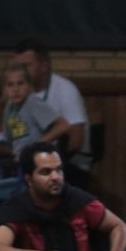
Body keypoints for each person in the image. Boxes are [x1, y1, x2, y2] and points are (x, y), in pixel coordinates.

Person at [0, 62, 70, 251]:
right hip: (13, 170)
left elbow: (63, 126)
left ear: (29, 86)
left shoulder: (33, 104)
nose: (15, 89)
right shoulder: (10, 110)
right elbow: (13, 146)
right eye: (10, 85)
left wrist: (36, 147)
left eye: (20, 84)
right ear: (4, 89)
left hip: (29, 177)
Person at [0, 142, 126, 251]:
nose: (55, 177)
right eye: (46, 172)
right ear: (29, 179)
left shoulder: (78, 201)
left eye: (59, 170)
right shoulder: (16, 208)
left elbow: (119, 226)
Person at [12, 38, 90, 172]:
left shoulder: (65, 90)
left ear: (44, 66)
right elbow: (18, 134)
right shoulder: (18, 94)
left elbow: (76, 141)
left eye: (26, 66)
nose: (21, 72)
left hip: (67, 163)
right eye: (17, 67)